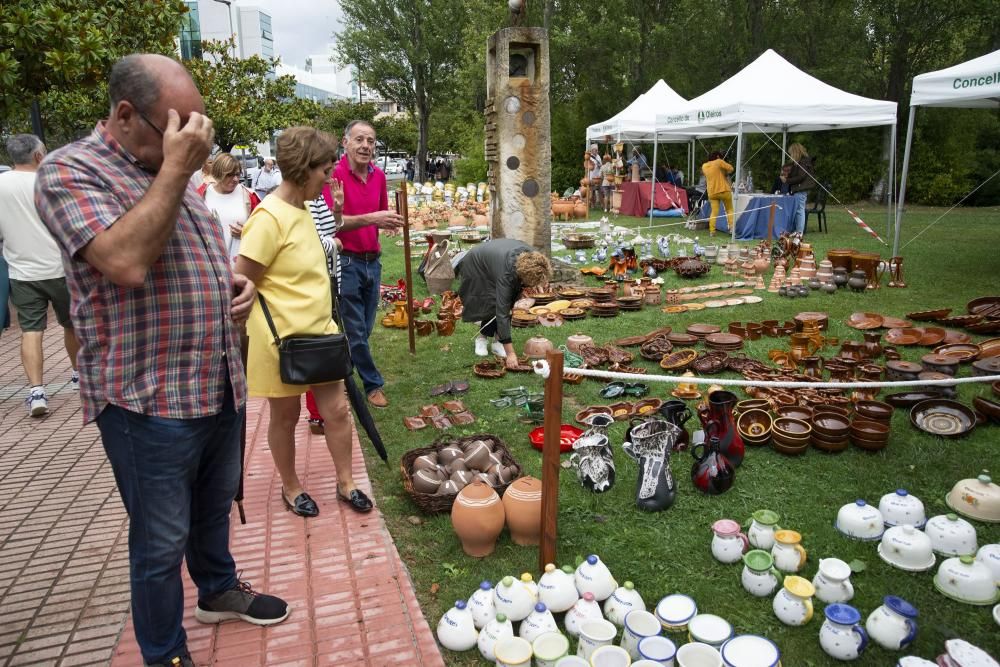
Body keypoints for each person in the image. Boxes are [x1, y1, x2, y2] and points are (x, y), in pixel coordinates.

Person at [34, 54, 288, 667]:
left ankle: (217, 589)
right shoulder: (71, 172)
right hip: (147, 399)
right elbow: (124, 261)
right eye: (178, 128)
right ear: (126, 115)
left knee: (212, 506)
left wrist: (232, 285)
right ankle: (164, 652)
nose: (192, 144)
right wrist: (176, 169)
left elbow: (187, 253)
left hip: (214, 383)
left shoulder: (169, 170)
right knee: (159, 540)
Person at [235, 126, 373, 516]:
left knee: (338, 411)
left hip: (320, 333)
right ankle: (291, 487)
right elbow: (242, 279)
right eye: (325, 170)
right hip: (282, 340)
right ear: (302, 168)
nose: (330, 178)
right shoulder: (268, 217)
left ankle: (346, 482)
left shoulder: (305, 208)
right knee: (286, 415)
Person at [0, 134, 81, 416]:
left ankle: (36, 392)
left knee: (31, 331)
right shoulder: (51, 181)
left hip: (22, 271)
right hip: (60, 268)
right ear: (38, 155)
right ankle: (77, 376)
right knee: (72, 324)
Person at [333, 120, 404, 408]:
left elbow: (382, 213)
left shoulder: (378, 176)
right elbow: (334, 222)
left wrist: (389, 223)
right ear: (345, 142)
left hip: (372, 262)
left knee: (365, 328)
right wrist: (375, 218)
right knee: (355, 331)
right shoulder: (334, 175)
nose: (365, 146)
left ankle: (342, 374)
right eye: (359, 139)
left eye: (371, 141)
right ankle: (373, 384)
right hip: (346, 262)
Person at [460, 238, 552, 368]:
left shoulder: (534, 259)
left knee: (506, 301)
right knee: (490, 302)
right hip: (477, 265)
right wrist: (511, 354)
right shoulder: (506, 275)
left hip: (497, 260)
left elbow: (514, 294)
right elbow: (502, 312)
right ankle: (481, 339)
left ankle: (498, 341)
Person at [304, 175, 343, 436]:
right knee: (316, 352)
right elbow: (309, 242)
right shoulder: (299, 200)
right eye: (325, 168)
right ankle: (317, 415)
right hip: (314, 284)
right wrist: (334, 245)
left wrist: (337, 209)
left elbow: (330, 229)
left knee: (327, 347)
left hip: (329, 278)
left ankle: (325, 410)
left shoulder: (317, 197)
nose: (329, 177)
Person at [196, 152, 260, 262]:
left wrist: (247, 232)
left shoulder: (250, 196)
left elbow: (265, 231)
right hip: (210, 264)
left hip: (241, 265)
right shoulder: (200, 195)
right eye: (229, 175)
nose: (235, 179)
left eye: (238, 174)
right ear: (218, 173)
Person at [785, 143, 815, 234]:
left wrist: (788, 180)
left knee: (799, 211)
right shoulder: (802, 162)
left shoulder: (803, 162)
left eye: (791, 153)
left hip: (801, 189)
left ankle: (799, 232)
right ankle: (797, 231)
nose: (790, 155)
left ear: (795, 152)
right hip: (800, 189)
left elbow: (801, 177)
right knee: (798, 210)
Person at [702, 151, 734, 237]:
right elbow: (731, 168)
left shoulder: (704, 166)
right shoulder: (719, 161)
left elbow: (714, 172)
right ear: (717, 156)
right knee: (729, 210)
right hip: (724, 190)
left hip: (712, 192)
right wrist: (726, 172)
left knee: (714, 212)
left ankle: (712, 231)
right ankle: (731, 229)